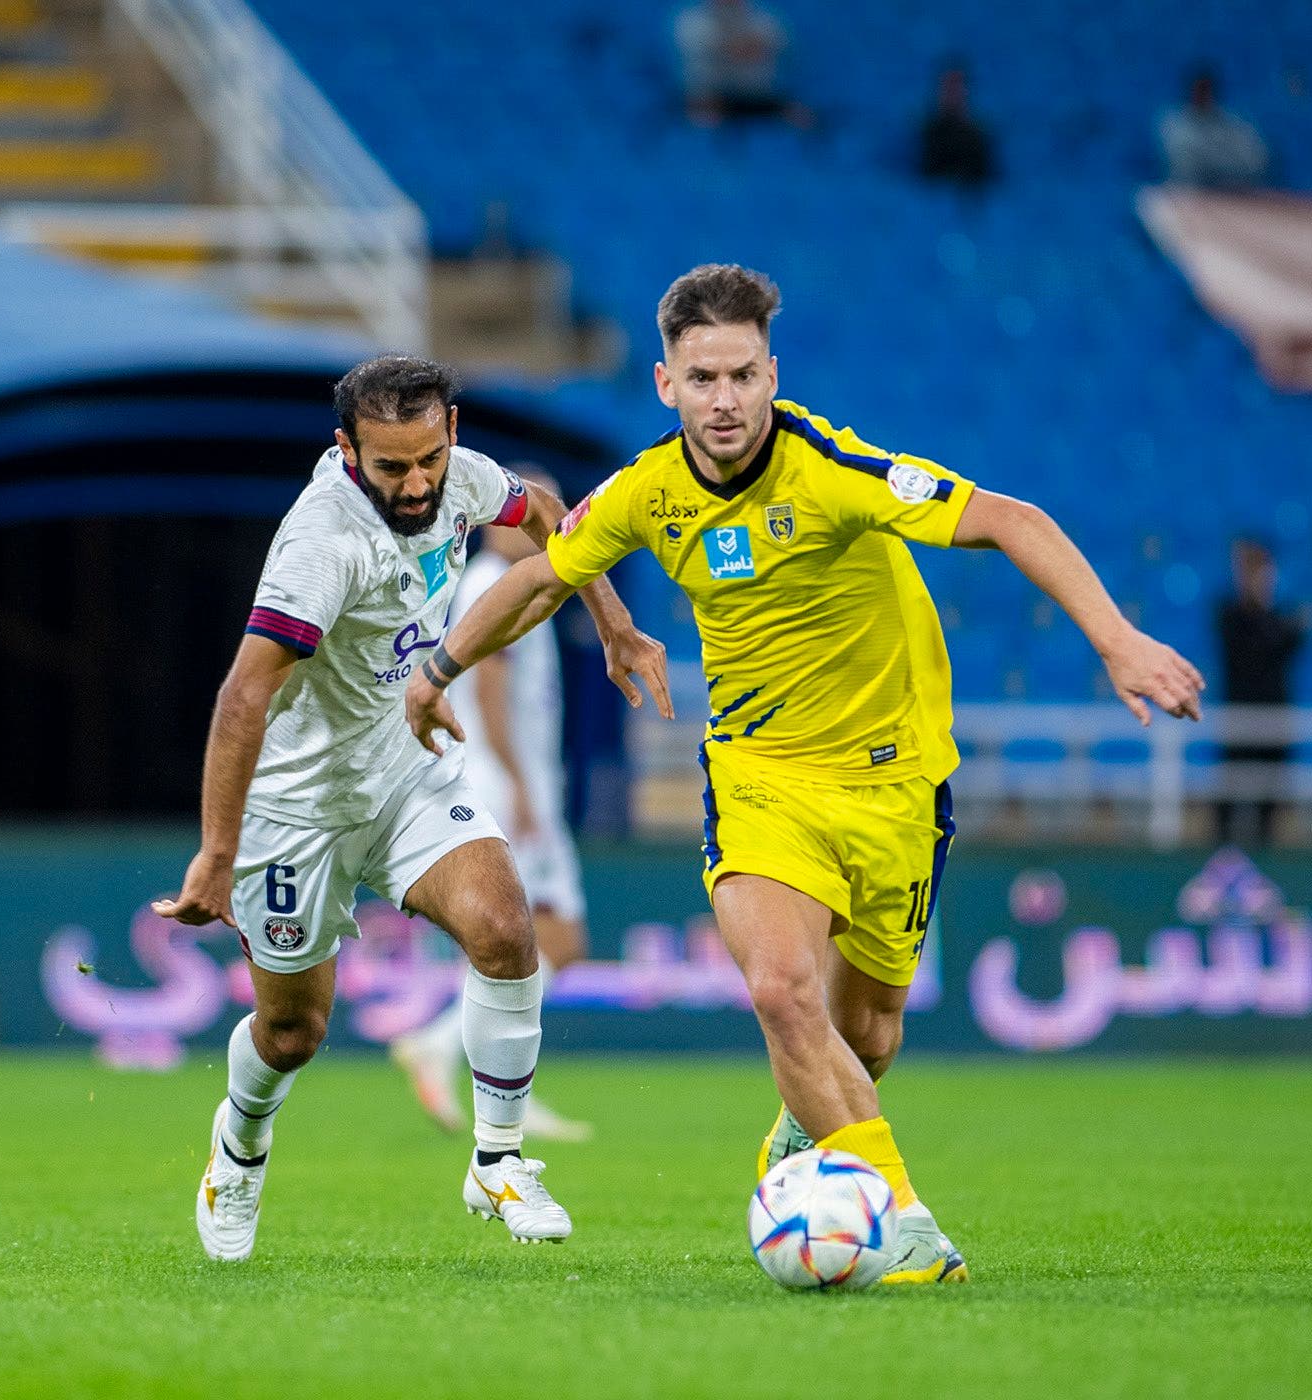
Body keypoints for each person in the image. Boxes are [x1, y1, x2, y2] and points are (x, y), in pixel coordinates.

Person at [405, 264, 1204, 1284]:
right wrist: (438, 670)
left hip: (895, 782)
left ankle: (805, 1128)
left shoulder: (833, 467)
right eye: (703, 378)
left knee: (865, 1034)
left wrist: (1117, 639)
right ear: (665, 383)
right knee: (782, 990)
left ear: (772, 372)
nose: (725, 399)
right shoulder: (647, 491)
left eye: (743, 374)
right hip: (759, 778)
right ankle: (902, 1220)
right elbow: (539, 570)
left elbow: (1010, 519)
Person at [153, 356, 670, 1261]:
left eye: (429, 457)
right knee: (291, 1033)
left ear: (452, 431)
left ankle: (498, 1160)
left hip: (407, 773)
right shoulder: (321, 543)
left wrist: (615, 624)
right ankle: (237, 1147)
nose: (418, 483)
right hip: (299, 808)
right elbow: (242, 697)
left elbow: (554, 519)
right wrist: (215, 852)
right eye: (393, 468)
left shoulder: (461, 480)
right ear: (347, 450)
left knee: (508, 928)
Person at [391, 482, 593, 1143]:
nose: (547, 521)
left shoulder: (503, 577)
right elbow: (491, 685)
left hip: (506, 779)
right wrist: (520, 783)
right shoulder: (492, 582)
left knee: (526, 941)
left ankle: (499, 1079)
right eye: (538, 509)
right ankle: (450, 1050)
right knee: (554, 937)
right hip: (505, 782)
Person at [1214, 538, 1307, 847]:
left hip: (1274, 722)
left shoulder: (1279, 617)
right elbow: (1255, 649)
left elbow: (1289, 641)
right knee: (1229, 801)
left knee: (1270, 803)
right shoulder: (1229, 614)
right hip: (1238, 722)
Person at [674, 0, 811, 128]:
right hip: (712, 97)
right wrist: (739, 48)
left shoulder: (764, 20)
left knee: (801, 117)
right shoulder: (691, 21)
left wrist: (741, 49)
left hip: (759, 96)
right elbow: (733, 51)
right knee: (702, 116)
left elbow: (776, 46)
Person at [1157, 68, 1268, 191]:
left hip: (1230, 191)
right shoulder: (1174, 124)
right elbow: (1184, 166)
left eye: (1205, 91)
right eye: (1200, 91)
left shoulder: (1231, 125)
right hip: (1190, 191)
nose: (1202, 96)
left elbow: (1255, 160)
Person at [918, 63, 996, 189]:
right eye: (948, 88)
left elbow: (985, 180)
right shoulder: (925, 134)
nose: (952, 94)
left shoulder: (978, 138)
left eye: (957, 88)